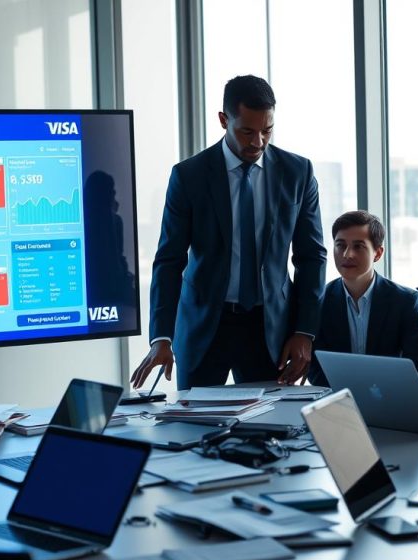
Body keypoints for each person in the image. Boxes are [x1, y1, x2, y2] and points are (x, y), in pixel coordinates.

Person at [130, 75, 326, 391]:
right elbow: (169, 260)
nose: (258, 142)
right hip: (205, 325)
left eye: (267, 130)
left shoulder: (298, 173)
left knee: (272, 420)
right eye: (247, 131)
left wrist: (305, 331)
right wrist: (161, 337)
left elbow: (311, 256)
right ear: (224, 120)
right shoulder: (189, 176)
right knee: (195, 420)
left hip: (270, 327)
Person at [308, 211, 418, 391]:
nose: (347, 254)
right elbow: (315, 370)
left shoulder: (405, 302)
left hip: (390, 400)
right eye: (340, 245)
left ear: (378, 253)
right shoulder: (319, 301)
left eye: (358, 246)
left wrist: (395, 394)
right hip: (339, 401)